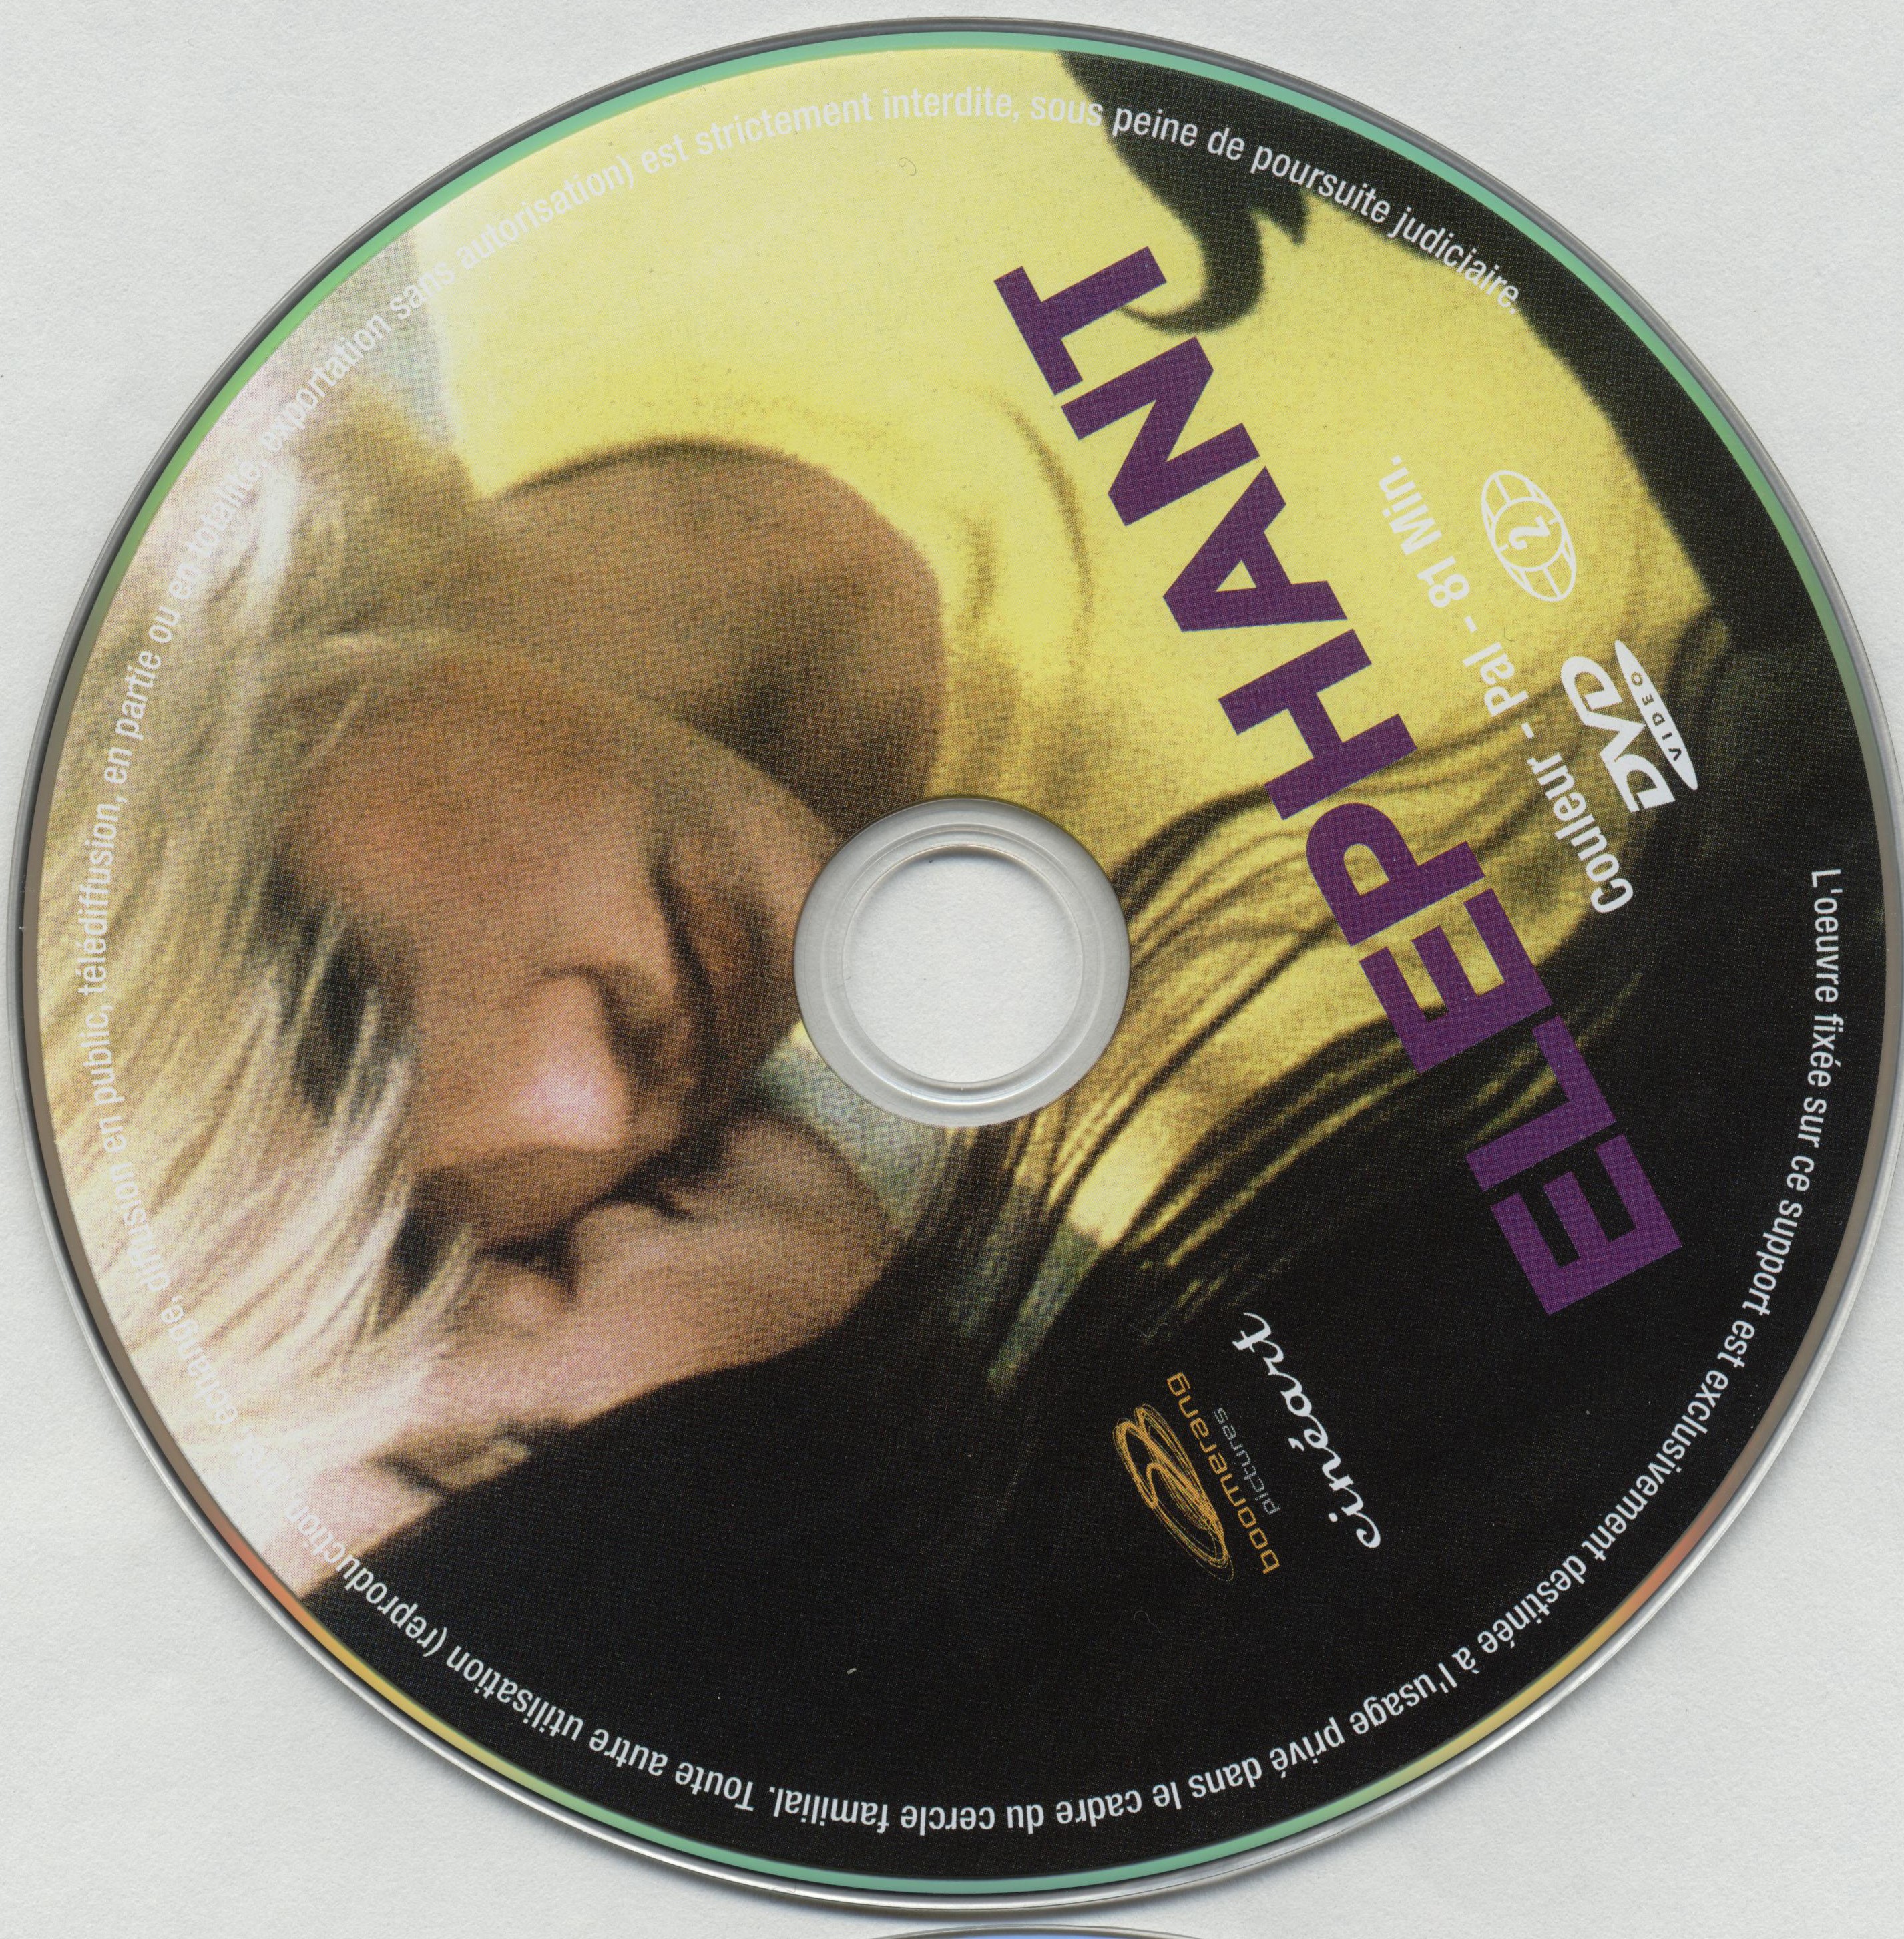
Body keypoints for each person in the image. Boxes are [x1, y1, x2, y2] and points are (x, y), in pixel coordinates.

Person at [36, 45, 1878, 1848]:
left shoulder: (652, 121)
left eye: (348, 1008)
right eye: (429, 1235)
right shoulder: (1307, 1127)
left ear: (219, 701)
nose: (581, 1095)